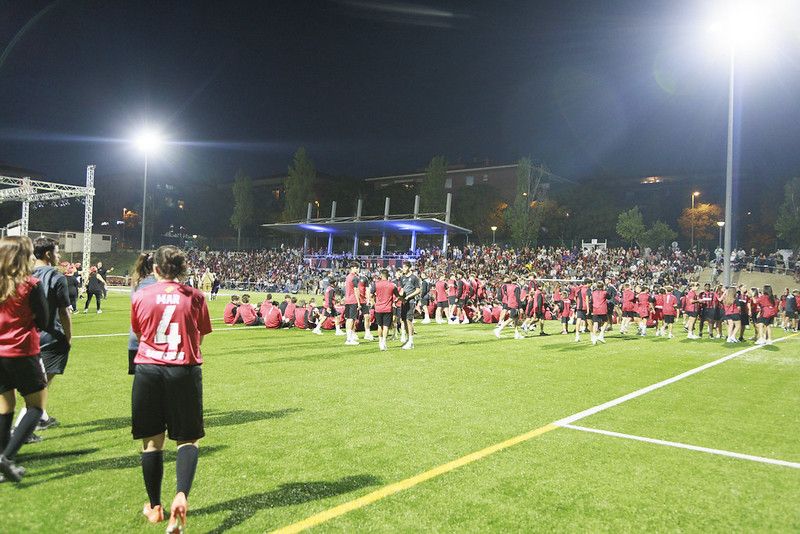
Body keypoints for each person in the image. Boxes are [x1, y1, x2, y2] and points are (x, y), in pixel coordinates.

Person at [130, 245, 212, 530]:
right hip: (184, 370)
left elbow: (140, 332)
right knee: (188, 440)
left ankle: (155, 508)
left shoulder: (141, 295)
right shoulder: (196, 296)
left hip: (148, 370)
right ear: (183, 269)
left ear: (155, 268)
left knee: (152, 443)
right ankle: (181, 495)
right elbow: (200, 334)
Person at [0, 236, 49, 482]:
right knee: (36, 407)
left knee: (4, 406)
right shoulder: (30, 284)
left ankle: (2, 459)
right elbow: (44, 321)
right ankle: (6, 458)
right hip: (22, 352)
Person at [13, 237, 72, 435]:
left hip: (24, 337)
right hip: (51, 337)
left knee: (34, 380)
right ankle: (21, 429)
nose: (59, 255)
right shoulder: (56, 277)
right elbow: (64, 311)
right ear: (48, 254)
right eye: (57, 252)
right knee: (40, 385)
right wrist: (68, 337)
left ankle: (43, 417)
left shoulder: (22, 274)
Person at [128, 253, 157, 375]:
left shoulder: (136, 282)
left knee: (140, 380)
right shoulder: (158, 283)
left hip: (135, 338)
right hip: (153, 340)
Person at [371, 269, 398, 351]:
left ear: (381, 275)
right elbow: (397, 295)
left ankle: (380, 342)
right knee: (386, 326)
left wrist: (374, 303)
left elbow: (371, 294)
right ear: (388, 276)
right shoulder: (392, 285)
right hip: (388, 308)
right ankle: (384, 342)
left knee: (379, 325)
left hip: (378, 308)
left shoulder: (376, 284)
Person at [399, 261, 421, 349]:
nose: (403, 269)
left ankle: (411, 341)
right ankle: (408, 339)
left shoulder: (414, 278)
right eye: (403, 267)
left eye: (405, 267)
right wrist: (399, 297)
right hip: (404, 302)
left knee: (409, 320)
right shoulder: (402, 278)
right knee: (404, 320)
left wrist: (408, 296)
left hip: (411, 301)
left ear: (409, 268)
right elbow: (402, 289)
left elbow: (418, 290)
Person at [343, 262, 361, 346]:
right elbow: (356, 290)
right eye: (357, 268)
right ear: (353, 268)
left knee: (348, 319)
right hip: (353, 300)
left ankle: (349, 338)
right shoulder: (354, 278)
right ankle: (349, 339)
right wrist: (359, 303)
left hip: (347, 300)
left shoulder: (347, 277)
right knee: (351, 319)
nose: (358, 269)